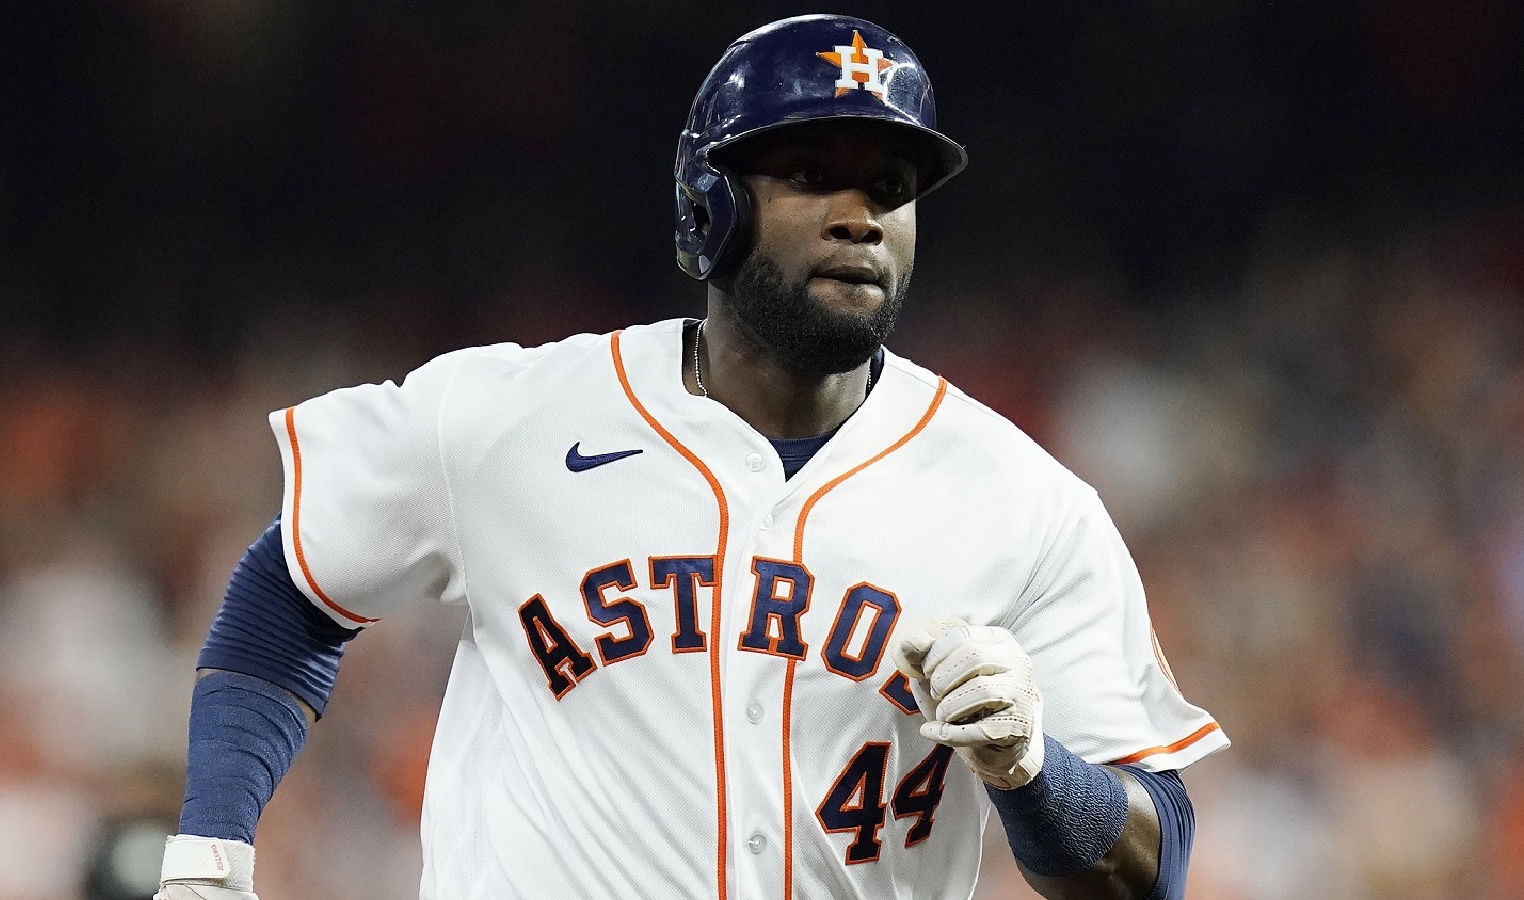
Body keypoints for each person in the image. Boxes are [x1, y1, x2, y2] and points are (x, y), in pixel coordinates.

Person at [155, 15, 1226, 900]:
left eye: (890, 188)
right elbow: (293, 584)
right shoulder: (507, 418)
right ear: (707, 205)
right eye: (814, 173)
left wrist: (1033, 775)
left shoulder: (1023, 503)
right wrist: (211, 851)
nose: (860, 217)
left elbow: (1154, 861)